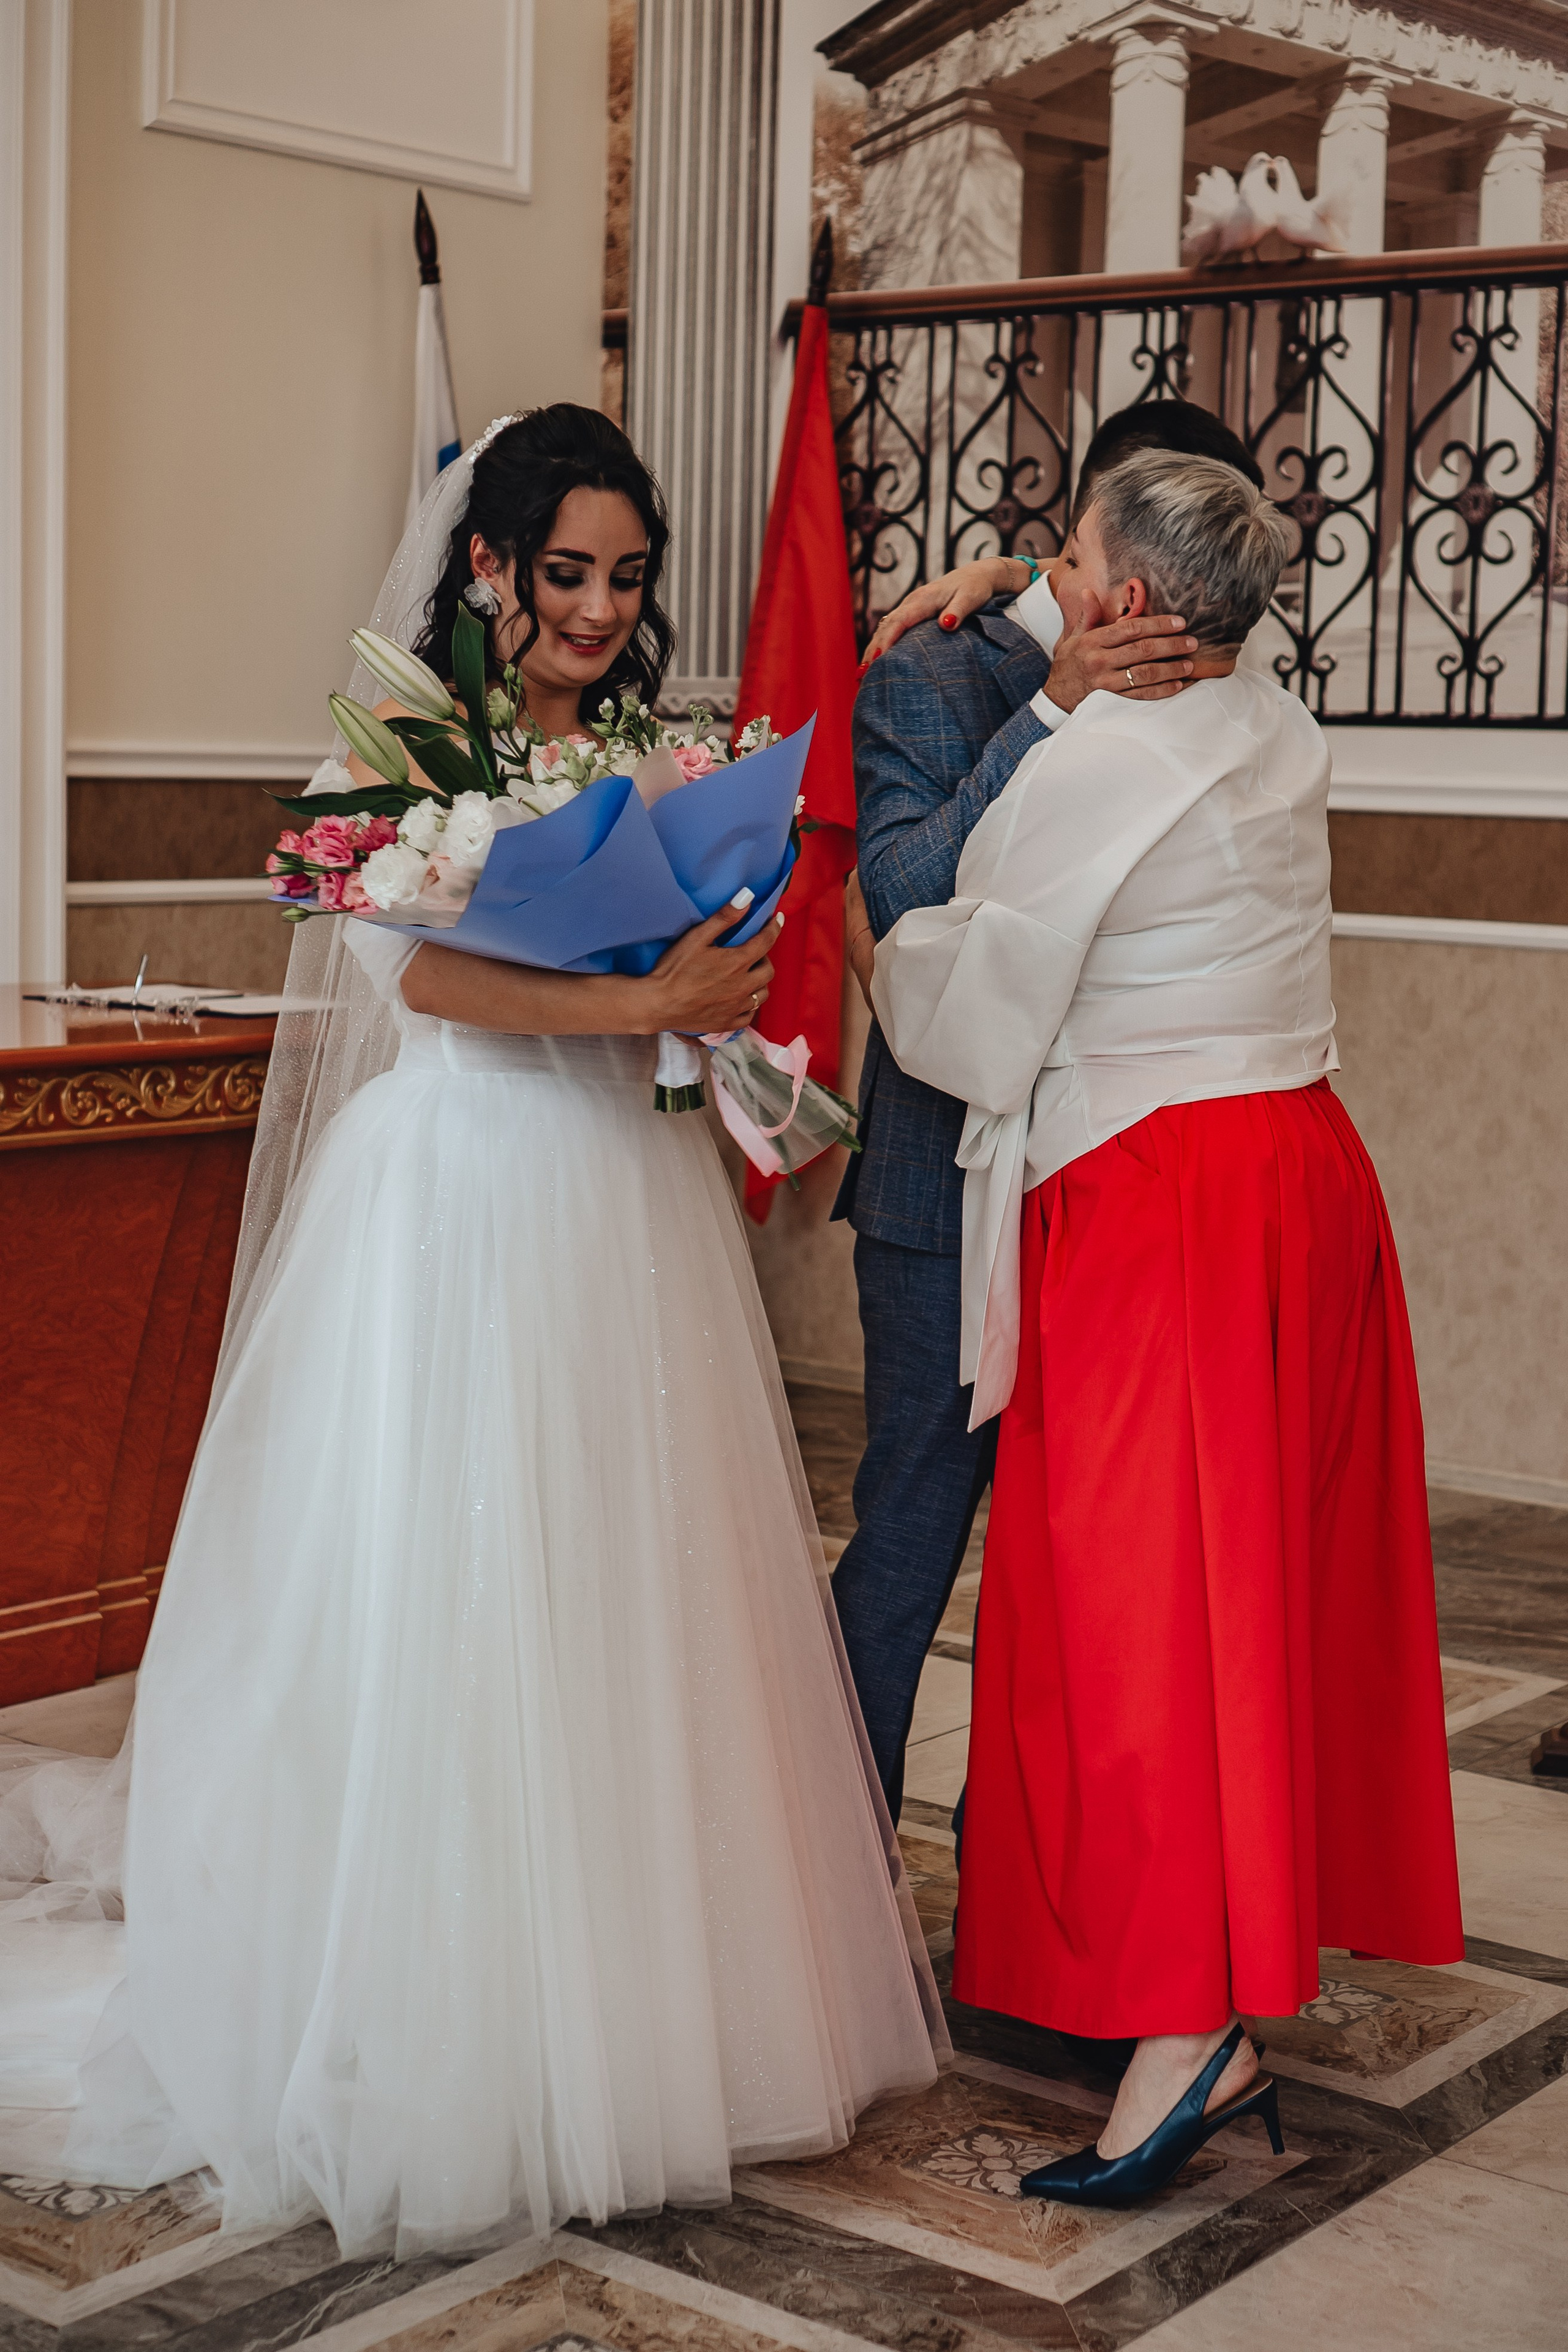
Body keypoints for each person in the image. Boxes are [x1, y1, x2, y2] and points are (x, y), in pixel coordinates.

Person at [0, 405, 940, 2258]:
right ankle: (434, 2008)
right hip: (458, 1194)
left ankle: (641, 2002)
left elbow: (685, 959)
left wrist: (710, 986)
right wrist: (635, 1003)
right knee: (447, 1591)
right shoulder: (397, 745)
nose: (600, 610)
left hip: (623, 1201)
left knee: (623, 1585)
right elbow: (415, 972)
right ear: (493, 565)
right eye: (569, 573)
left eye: (629, 579)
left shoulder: (654, 751)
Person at [870, 448, 1463, 2203]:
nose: (1041, 574)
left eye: (1064, 555)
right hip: (1299, 1174)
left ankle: (1184, 2032)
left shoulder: (1097, 760)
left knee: (1135, 1621)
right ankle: (1215, 1977)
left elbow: (955, 1004)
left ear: (1126, 603)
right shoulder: (1276, 726)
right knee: (1250, 1595)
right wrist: (1012, 586)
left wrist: (890, 953)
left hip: (1160, 1209)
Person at [830, 399, 1267, 1820]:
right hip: (936, 1191)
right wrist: (1050, 709)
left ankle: (1028, 1890)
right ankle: (836, 1862)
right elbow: (897, 894)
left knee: (1078, 1569)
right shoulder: (933, 667)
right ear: (1095, 536)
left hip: (1106, 1209)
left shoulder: (1202, 683)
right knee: (909, 1537)